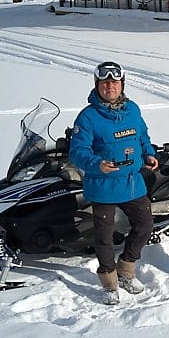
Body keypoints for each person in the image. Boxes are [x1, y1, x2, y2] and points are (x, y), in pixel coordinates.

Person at [68, 61, 159, 304]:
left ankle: (126, 270)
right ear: (98, 85)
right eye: (105, 82)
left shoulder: (133, 110)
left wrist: (149, 153)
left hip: (132, 183)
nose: (110, 86)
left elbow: (143, 137)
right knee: (104, 238)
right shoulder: (88, 117)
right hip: (104, 186)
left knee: (145, 225)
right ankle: (109, 283)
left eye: (114, 82)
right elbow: (77, 151)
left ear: (122, 85)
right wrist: (96, 164)